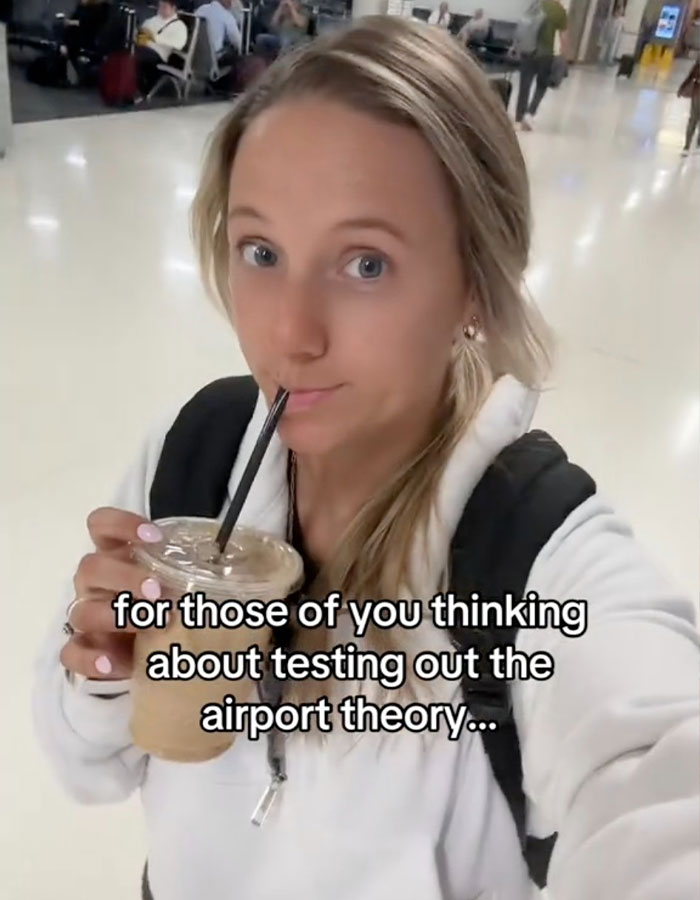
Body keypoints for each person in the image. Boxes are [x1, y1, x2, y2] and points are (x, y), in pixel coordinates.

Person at [32, 16, 699, 900]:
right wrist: (105, 673)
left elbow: (656, 778)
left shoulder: (537, 561)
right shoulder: (194, 453)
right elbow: (88, 769)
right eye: (261, 252)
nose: (288, 334)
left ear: (473, 282)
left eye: (367, 265)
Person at [514, 0, 569, 131]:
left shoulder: (535, 5)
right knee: (542, 85)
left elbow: (523, 26)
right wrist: (564, 56)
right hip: (545, 54)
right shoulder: (559, 11)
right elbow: (564, 36)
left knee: (524, 86)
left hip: (527, 51)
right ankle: (530, 113)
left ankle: (518, 119)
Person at [135, 0, 188, 97]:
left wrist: (155, 38)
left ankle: (139, 90)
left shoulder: (179, 26)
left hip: (159, 54)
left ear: (173, 8)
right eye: (160, 6)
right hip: (144, 48)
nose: (161, 9)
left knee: (138, 56)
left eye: (164, 7)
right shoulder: (152, 20)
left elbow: (179, 44)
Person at [678, 59, 700, 156]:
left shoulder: (698, 64)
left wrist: (682, 88)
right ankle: (694, 146)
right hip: (697, 94)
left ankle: (687, 146)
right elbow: (691, 76)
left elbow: (690, 76)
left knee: (693, 120)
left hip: (697, 94)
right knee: (693, 120)